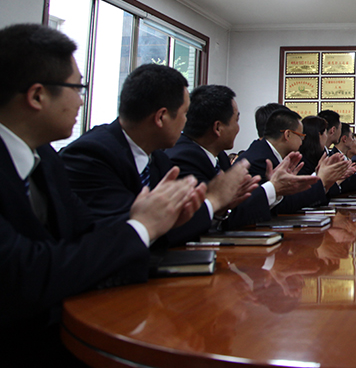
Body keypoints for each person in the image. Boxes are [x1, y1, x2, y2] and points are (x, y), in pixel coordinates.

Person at [0, 24, 204, 365]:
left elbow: (86, 232)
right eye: (77, 88)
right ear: (37, 96)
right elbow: (24, 274)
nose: (81, 100)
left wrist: (156, 220)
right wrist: (142, 226)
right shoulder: (82, 152)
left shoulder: (45, 158)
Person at [61, 64, 255, 247]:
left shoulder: (159, 159)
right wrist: (213, 200)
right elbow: (136, 231)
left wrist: (218, 208)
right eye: (184, 114)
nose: (187, 123)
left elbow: (177, 223)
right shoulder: (92, 155)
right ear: (161, 117)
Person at [166, 85, 317, 227]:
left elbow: (233, 211)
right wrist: (273, 188)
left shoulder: (220, 157)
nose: (238, 128)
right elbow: (200, 221)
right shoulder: (183, 159)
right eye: (236, 121)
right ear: (218, 128)